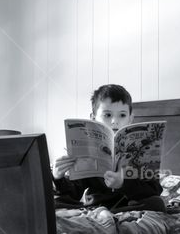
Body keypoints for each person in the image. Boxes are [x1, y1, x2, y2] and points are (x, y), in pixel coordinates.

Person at [52, 84, 166, 212]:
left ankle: (107, 215)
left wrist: (123, 184)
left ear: (130, 119)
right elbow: (74, 193)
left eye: (122, 115)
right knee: (54, 203)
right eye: (107, 115)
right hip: (95, 206)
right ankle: (102, 214)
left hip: (129, 206)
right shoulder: (88, 151)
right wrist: (58, 177)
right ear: (93, 118)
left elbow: (155, 190)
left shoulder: (142, 149)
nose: (114, 121)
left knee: (157, 203)